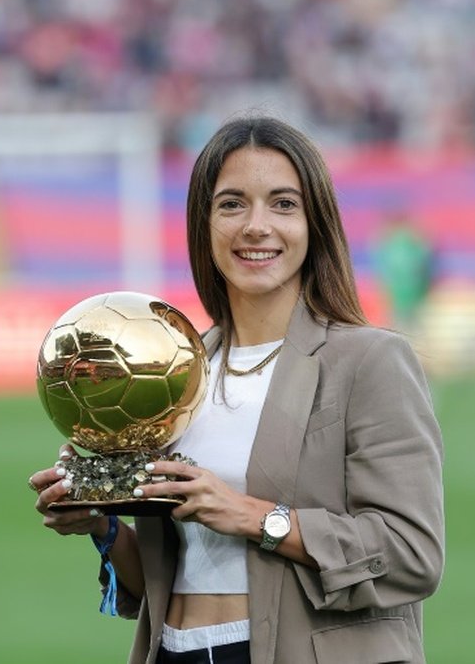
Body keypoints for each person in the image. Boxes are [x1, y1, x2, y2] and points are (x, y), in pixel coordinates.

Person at [28, 116, 444, 663]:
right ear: (203, 224)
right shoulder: (173, 375)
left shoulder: (369, 361)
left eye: (283, 204)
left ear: (315, 223)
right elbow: (163, 580)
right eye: (231, 204)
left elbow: (411, 554)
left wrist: (253, 516)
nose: (256, 226)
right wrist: (102, 523)